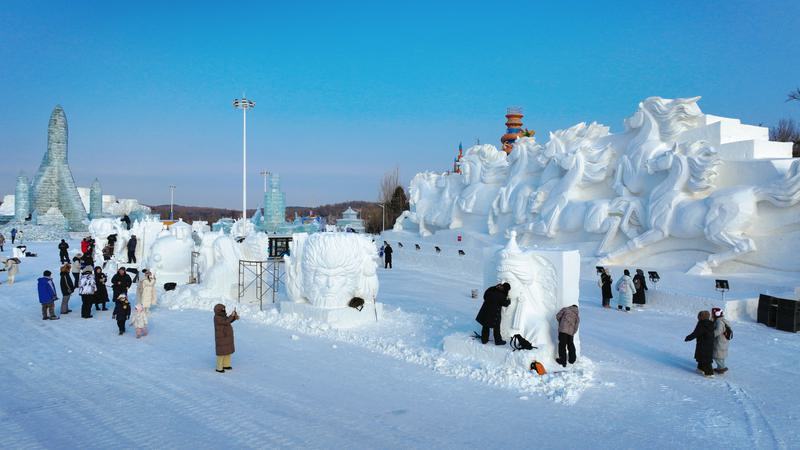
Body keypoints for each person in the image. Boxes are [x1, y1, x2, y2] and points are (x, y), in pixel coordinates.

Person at [685, 310, 715, 377]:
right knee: (702, 357)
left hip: (703, 343)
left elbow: (696, 333)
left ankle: (709, 373)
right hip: (709, 343)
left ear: (701, 317)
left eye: (698, 316)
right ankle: (700, 368)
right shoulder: (711, 323)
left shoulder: (702, 324)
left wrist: (688, 338)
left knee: (705, 358)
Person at [214, 303, 239, 373]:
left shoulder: (223, 316)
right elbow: (225, 322)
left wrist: (234, 317)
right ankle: (219, 367)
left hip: (227, 336)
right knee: (221, 353)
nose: (224, 310)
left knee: (227, 351)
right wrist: (231, 315)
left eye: (224, 309)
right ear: (218, 310)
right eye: (222, 309)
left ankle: (226, 365)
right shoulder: (217, 317)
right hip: (221, 337)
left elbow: (228, 321)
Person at [711, 307, 731, 374]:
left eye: (713, 313)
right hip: (723, 341)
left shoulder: (719, 322)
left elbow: (718, 331)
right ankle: (720, 367)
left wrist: (711, 334)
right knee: (720, 356)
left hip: (719, 341)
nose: (712, 315)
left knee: (717, 356)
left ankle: (722, 368)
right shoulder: (722, 320)